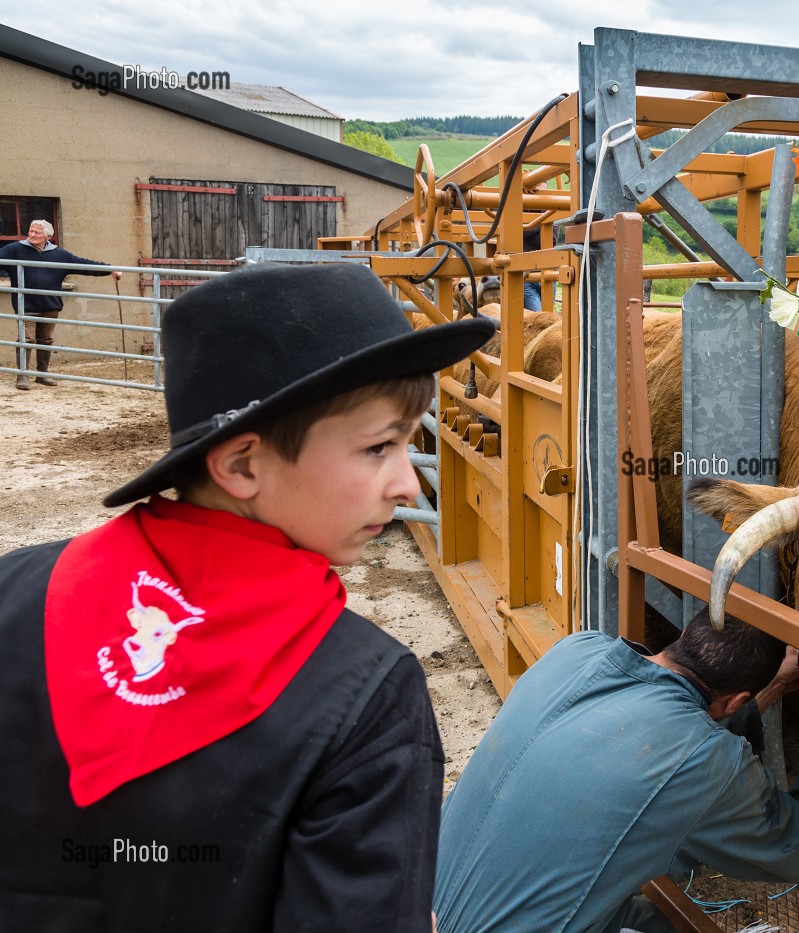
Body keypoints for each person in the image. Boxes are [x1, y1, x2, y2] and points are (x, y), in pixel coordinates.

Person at [0, 263, 497, 931]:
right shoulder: (367, 696)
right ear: (240, 464)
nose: (409, 483)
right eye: (380, 446)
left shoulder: (14, 590)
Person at [433, 612, 799, 933]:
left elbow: (680, 738)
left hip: (417, 906)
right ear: (737, 700)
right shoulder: (705, 759)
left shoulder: (577, 649)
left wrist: (777, 683)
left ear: (684, 634)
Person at [0, 219, 123, 389]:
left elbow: (82, 265)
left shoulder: (58, 254)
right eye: (30, 231)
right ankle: (23, 376)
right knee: (26, 339)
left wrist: (109, 269)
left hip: (50, 304)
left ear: (48, 236)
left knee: (45, 339)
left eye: (37, 232)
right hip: (25, 305)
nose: (32, 235)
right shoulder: (14, 249)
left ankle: (42, 374)